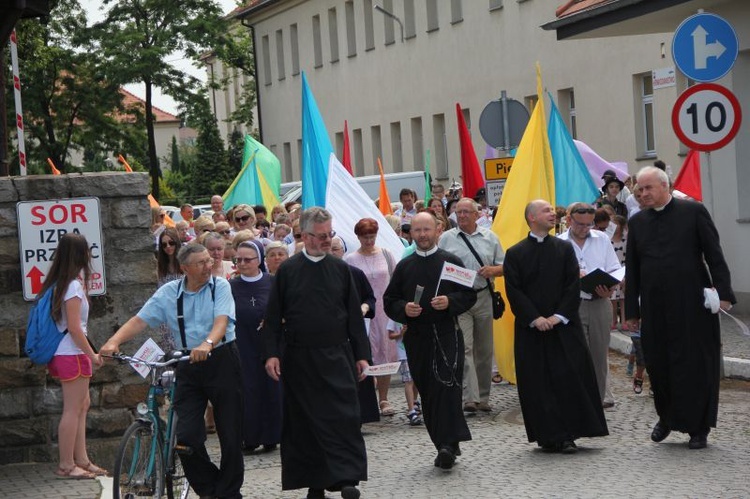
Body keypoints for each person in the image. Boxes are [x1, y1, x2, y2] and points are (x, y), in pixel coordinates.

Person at [100, 243, 244, 498]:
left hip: (221, 359)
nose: (208, 266)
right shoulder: (169, 293)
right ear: (184, 268)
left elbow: (222, 321)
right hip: (187, 362)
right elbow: (139, 320)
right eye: (200, 263)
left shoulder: (220, 286)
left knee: (230, 433)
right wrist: (114, 341)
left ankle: (229, 492)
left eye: (209, 261)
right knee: (185, 438)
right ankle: (211, 490)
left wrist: (207, 343)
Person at [625, 166, 735, 450]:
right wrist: (632, 313)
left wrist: (724, 293)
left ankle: (699, 427)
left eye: (648, 188)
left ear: (666, 186)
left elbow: (714, 253)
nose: (643, 194)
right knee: (659, 364)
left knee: (694, 365)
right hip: (654, 306)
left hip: (691, 304)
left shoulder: (693, 212)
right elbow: (633, 269)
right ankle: (666, 417)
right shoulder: (637, 223)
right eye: (639, 189)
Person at [263, 207, 369, 499]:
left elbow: (353, 315)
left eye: (330, 234)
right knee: (306, 422)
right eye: (322, 236)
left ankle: (347, 478)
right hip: (300, 358)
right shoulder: (287, 271)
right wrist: (271, 354)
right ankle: (316, 482)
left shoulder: (340, 269)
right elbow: (272, 317)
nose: (327, 240)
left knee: (343, 416)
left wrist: (362, 354)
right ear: (306, 236)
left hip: (337, 354)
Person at [503, 200, 608, 454]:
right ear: (531, 218)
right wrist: (535, 318)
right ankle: (547, 435)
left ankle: (568, 433)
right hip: (532, 330)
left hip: (563, 327)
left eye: (552, 210)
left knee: (567, 377)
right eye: (546, 211)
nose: (553, 214)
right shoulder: (515, 253)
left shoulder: (564, 249)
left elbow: (572, 285)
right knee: (537, 383)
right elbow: (514, 291)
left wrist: (558, 316)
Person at [383, 212, 477, 470]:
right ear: (410, 233)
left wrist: (450, 302)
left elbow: (469, 296)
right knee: (428, 391)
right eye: (417, 231)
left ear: (438, 230)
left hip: (447, 334)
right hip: (417, 338)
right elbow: (389, 301)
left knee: (446, 388)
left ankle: (447, 445)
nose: (422, 235)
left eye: (427, 230)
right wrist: (404, 309)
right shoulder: (405, 266)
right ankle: (445, 442)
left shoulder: (451, 262)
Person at [43, 234, 106, 479]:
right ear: (81, 254)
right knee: (72, 409)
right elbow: (74, 327)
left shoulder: (66, 282)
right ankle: (67, 465)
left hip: (72, 352)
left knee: (82, 405)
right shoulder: (72, 285)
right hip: (71, 353)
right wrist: (92, 354)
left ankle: (81, 460)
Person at [438, 198, 504, 413]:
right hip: (459, 299)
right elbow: (439, 266)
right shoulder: (446, 239)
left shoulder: (490, 237)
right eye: (459, 212)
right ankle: (470, 397)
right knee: (464, 347)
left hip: (483, 296)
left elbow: (504, 265)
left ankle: (483, 396)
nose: (463, 215)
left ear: (477, 215)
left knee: (484, 349)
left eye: (467, 212)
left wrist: (493, 271)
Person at [559, 203, 621, 409]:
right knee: (576, 354)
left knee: (599, 355)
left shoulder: (602, 239)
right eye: (580, 224)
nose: (585, 228)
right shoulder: (559, 243)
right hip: (572, 304)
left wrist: (610, 287)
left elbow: (614, 268)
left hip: (599, 302)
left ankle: (597, 399)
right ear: (569, 220)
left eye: (589, 224)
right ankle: (577, 399)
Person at [230, 241, 281, 454]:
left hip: (269, 344)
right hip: (242, 342)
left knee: (271, 389)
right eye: (238, 259)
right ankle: (249, 437)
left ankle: (272, 436)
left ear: (259, 260)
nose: (242, 263)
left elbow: (284, 308)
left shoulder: (273, 282)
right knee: (247, 390)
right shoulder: (230, 285)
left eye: (247, 259)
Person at [344, 219, 398, 417]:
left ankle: (383, 398)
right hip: (364, 312)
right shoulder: (351, 259)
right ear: (358, 237)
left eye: (372, 236)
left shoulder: (386, 254)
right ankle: (367, 399)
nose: (369, 240)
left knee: (385, 352)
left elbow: (395, 279)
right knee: (367, 352)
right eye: (365, 237)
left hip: (384, 310)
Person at [332, 235, 380, 425]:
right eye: (330, 248)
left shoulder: (355, 273)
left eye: (336, 249)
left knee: (359, 370)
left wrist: (365, 307)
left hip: (355, 331)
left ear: (343, 251)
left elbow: (370, 297)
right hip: (333, 333)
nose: (332, 252)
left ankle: (362, 415)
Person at [386, 320, 422, 426]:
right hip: (404, 354)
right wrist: (401, 333)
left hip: (417, 351)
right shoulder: (394, 317)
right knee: (409, 380)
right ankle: (411, 410)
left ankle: (415, 402)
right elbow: (390, 335)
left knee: (416, 379)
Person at [156, 228, 183, 351]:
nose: (168, 247)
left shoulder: (185, 264)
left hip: (184, 312)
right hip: (166, 317)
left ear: (177, 243)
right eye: (164, 244)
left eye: (171, 243)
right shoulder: (159, 268)